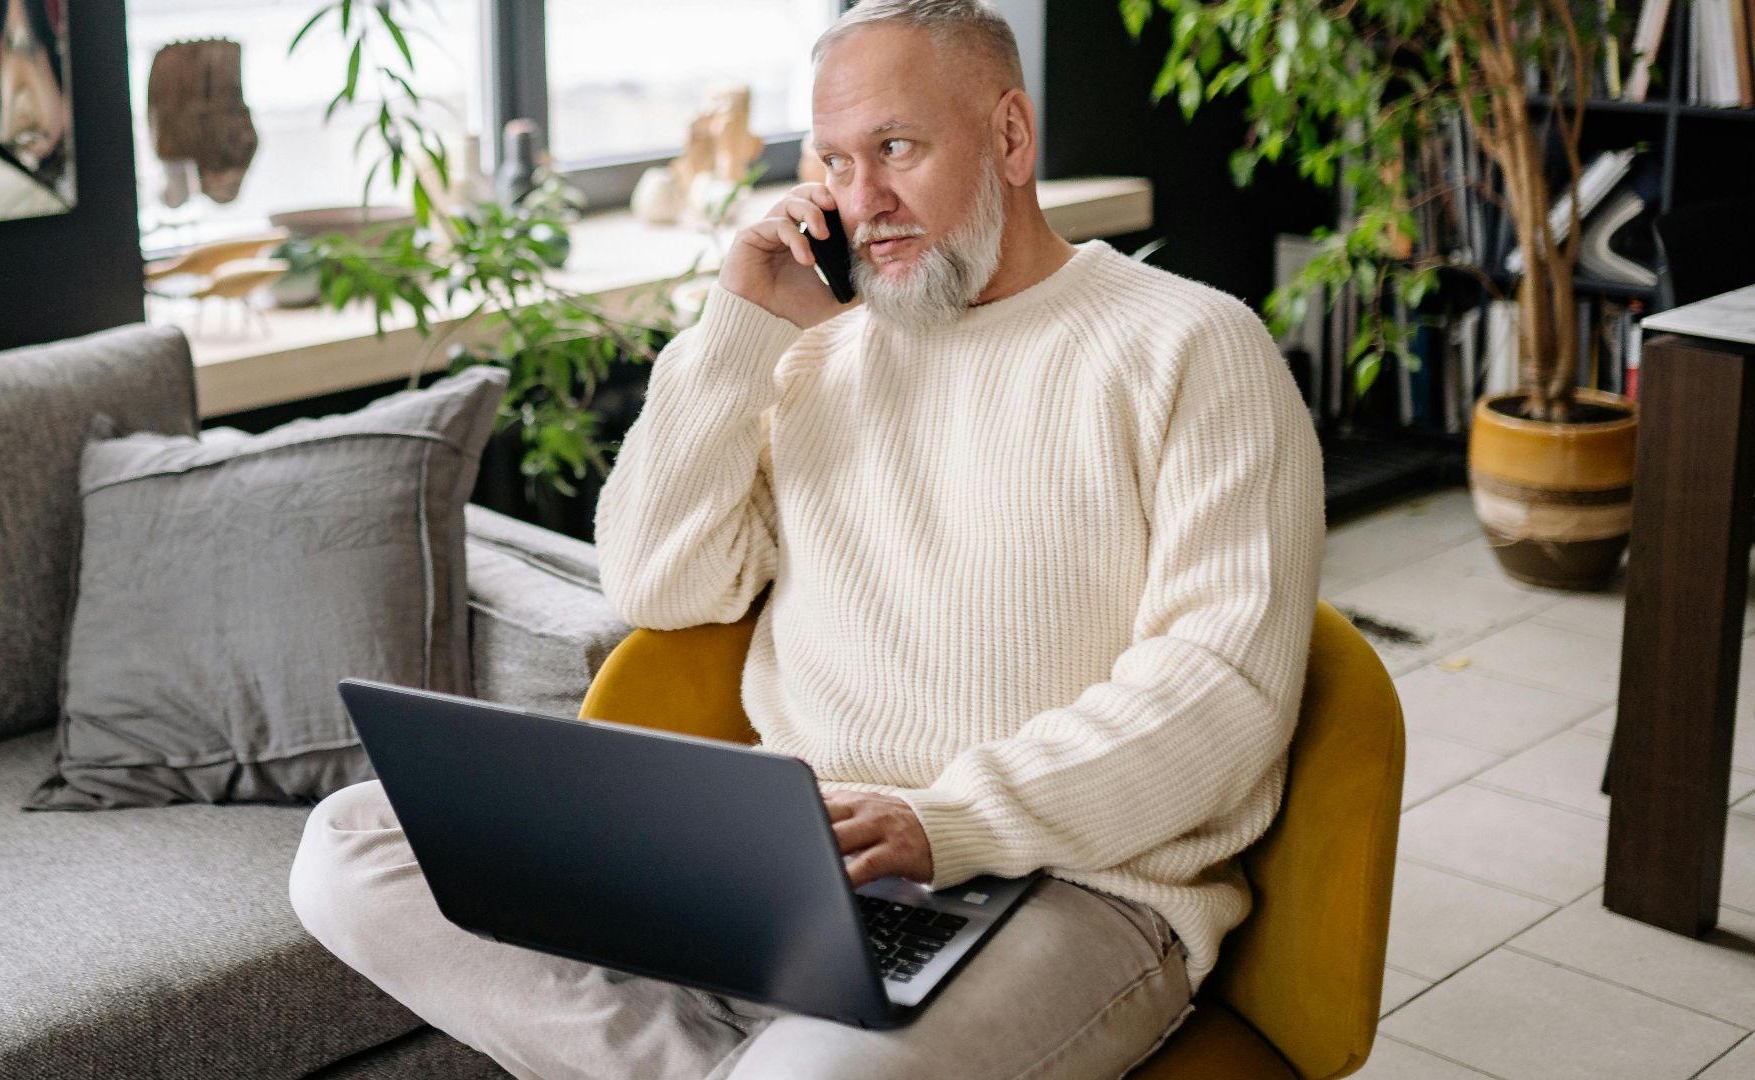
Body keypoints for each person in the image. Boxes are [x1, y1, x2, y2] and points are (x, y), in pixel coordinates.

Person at [290, 1, 1324, 1076]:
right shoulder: (814, 357)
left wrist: (949, 821)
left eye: (897, 148)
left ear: (1011, 137)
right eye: (832, 159)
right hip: (795, 864)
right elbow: (656, 582)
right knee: (352, 848)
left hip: (1075, 886)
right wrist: (739, 326)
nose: (862, 200)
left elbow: (1224, 692)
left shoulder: (1192, 345)